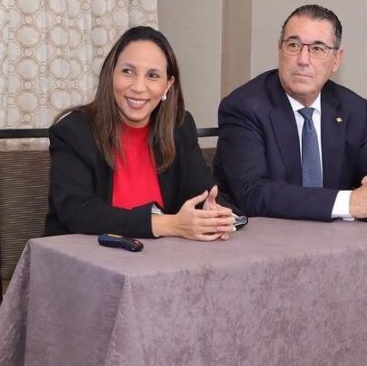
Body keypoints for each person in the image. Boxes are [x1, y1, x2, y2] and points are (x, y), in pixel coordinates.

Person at [214, 4, 367, 221]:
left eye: (317, 49)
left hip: (335, 238)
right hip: (265, 236)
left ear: (336, 60)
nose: (303, 59)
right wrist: (349, 203)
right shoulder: (244, 107)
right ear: (279, 50)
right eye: (293, 45)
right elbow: (253, 193)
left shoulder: (351, 108)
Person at [46, 26, 241, 241]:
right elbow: (78, 211)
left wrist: (214, 214)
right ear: (110, 74)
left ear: (167, 85)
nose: (139, 87)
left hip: (160, 258)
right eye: (128, 71)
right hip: (84, 255)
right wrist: (169, 225)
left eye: (153, 75)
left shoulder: (179, 127)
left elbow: (203, 191)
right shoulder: (74, 131)